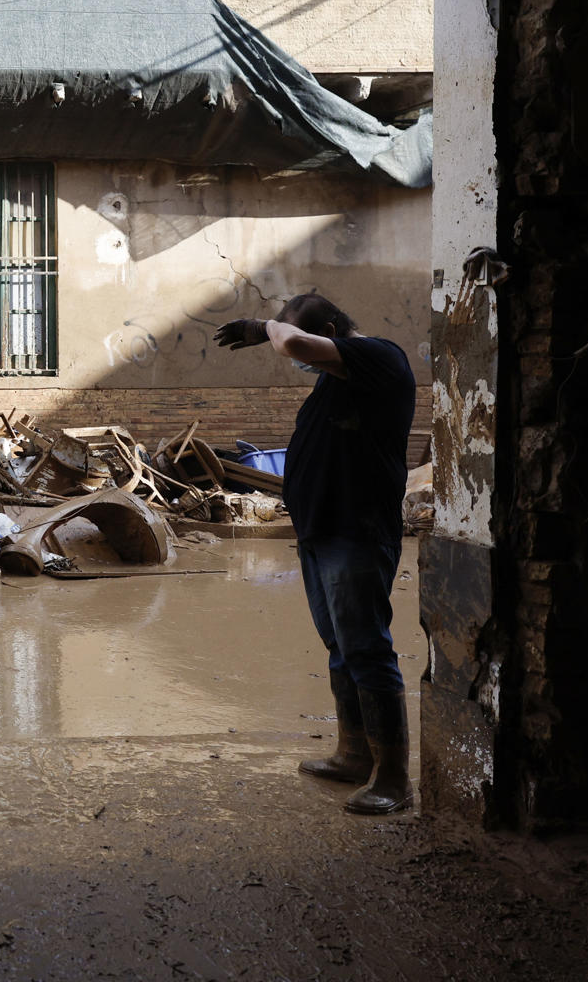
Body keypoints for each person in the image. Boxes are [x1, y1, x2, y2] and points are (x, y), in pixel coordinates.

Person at [215, 293, 417, 815]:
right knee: (339, 645)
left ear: (330, 329)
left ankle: (394, 779)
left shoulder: (381, 356)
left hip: (357, 531)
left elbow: (296, 343)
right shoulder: (337, 375)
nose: (299, 356)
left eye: (299, 337)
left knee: (367, 648)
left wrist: (265, 326)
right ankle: (353, 754)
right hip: (322, 531)